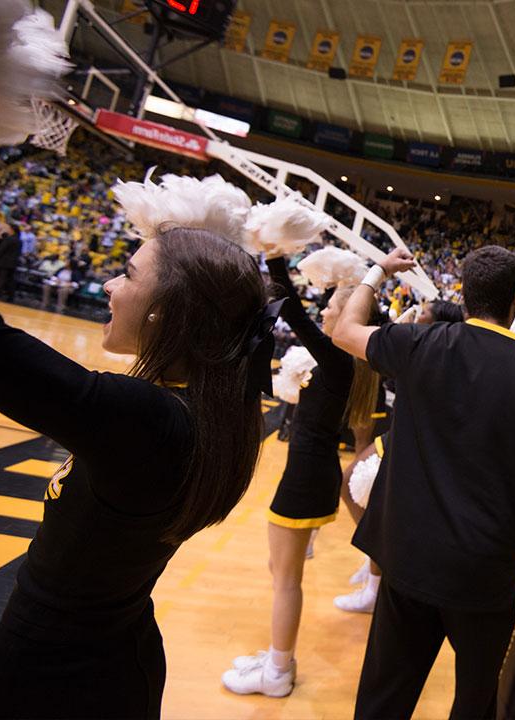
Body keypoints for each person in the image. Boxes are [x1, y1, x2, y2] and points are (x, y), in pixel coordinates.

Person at [0, 181, 279, 718]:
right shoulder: (204, 410)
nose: (110, 284)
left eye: (129, 274)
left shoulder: (146, 421)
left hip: (55, 679)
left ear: (170, 311)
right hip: (112, 655)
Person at [332, 245, 515, 719]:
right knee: (475, 703)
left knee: (383, 698)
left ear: (464, 296)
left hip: (408, 559)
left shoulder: (419, 345)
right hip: (484, 574)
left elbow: (344, 330)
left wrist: (379, 270)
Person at [222, 253, 380, 697]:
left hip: (307, 477)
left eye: (332, 306)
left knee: (286, 579)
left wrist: (275, 257)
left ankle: (277, 670)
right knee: (281, 569)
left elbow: (291, 307)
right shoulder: (342, 362)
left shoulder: (337, 358)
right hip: (311, 473)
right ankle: (277, 660)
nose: (325, 310)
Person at [334, 295, 465, 615]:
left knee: (370, 498)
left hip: (418, 444)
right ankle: (374, 560)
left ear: (436, 327)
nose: (416, 319)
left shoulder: (434, 356)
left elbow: (349, 337)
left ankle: (376, 586)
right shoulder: (424, 349)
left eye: (422, 317)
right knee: (354, 486)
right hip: (402, 434)